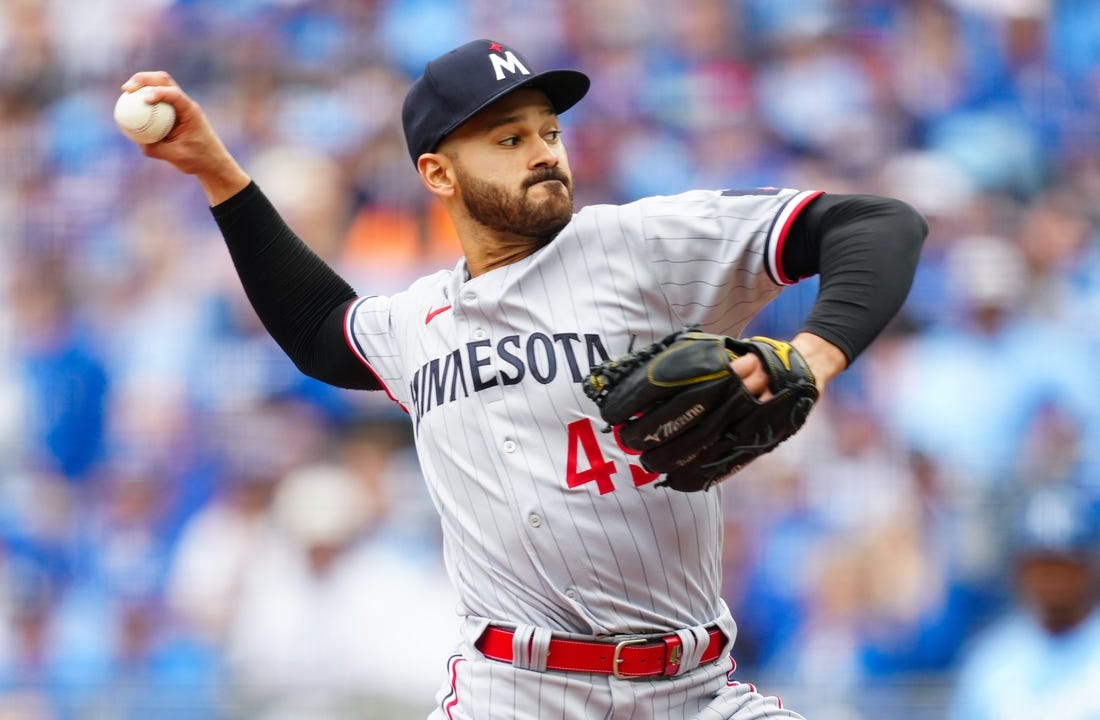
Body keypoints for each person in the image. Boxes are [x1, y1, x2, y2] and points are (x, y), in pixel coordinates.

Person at [120, 38, 926, 720]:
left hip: (697, 688)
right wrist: (218, 174)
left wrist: (812, 360)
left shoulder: (641, 246)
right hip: (516, 693)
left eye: (548, 131)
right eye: (508, 139)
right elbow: (320, 332)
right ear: (438, 175)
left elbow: (876, 224)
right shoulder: (419, 322)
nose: (544, 150)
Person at [948, 485, 1100, 720]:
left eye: (1065, 564)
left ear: (1090, 568)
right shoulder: (991, 660)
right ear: (1019, 571)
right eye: (1041, 565)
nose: (1053, 579)